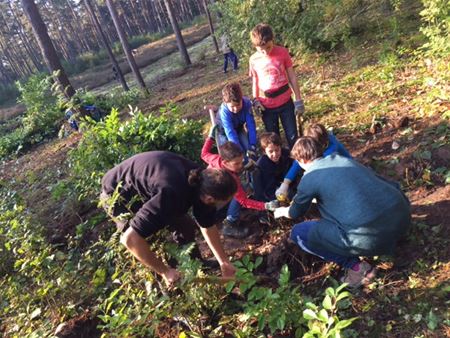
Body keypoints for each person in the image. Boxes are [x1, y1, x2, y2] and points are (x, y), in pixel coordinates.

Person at [274, 137, 411, 288]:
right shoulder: (342, 160)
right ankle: (392, 239)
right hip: (402, 219)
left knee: (299, 233)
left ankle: (357, 268)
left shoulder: (310, 177)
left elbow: (295, 213)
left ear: (302, 160)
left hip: (371, 238)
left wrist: (281, 211)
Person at [100, 151, 237, 286]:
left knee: (186, 226)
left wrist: (223, 262)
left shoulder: (203, 182)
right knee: (149, 242)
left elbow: (207, 225)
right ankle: (167, 285)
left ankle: (194, 267)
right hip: (119, 196)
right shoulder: (170, 194)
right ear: (209, 199)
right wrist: (164, 271)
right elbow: (130, 240)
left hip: (150, 184)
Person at [201, 130, 279, 238]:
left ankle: (225, 213)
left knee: (241, 190)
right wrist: (265, 205)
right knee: (239, 193)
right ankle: (230, 223)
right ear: (225, 163)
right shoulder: (231, 179)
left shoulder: (216, 159)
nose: (240, 165)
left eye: (241, 161)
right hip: (211, 198)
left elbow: (204, 154)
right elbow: (243, 201)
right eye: (236, 163)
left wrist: (210, 138)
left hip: (213, 190)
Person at [249, 23, 305, 149]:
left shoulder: (282, 52)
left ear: (272, 40)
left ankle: (297, 164)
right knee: (273, 140)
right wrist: (255, 100)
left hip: (286, 103)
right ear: (255, 46)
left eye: (268, 47)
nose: (265, 52)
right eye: (261, 49)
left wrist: (298, 100)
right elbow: (255, 82)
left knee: (292, 137)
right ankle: (280, 166)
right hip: (267, 107)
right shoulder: (253, 60)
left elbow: (292, 77)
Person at [276, 123, 352, 200]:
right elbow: (297, 162)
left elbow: (346, 157)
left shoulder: (331, 148)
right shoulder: (314, 147)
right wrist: (285, 183)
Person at [215, 82, 258, 161]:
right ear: (225, 103)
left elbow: (251, 125)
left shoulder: (247, 103)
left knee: (247, 147)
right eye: (232, 107)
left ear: (241, 99)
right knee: (232, 156)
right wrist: (239, 152)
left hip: (238, 128)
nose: (235, 109)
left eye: (238, 105)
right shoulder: (224, 112)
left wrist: (252, 145)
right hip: (224, 132)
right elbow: (230, 132)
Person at [253, 132, 293, 202]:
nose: (275, 154)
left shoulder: (286, 154)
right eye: (271, 151)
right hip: (268, 186)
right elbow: (267, 187)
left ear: (281, 147)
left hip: (283, 182)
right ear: (264, 152)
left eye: (277, 150)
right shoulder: (262, 164)